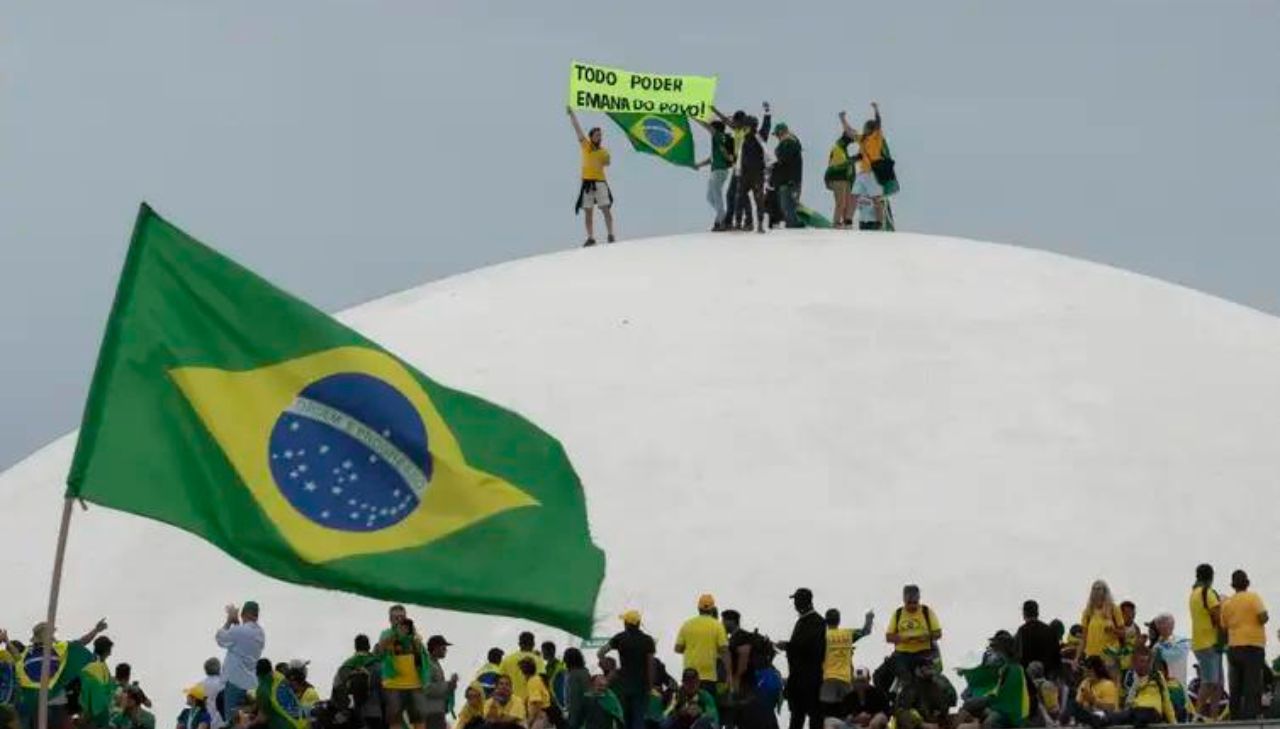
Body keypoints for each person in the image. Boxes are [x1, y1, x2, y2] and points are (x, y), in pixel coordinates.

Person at [18, 618, 108, 729]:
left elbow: (80, 643)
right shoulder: (27, 654)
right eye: (50, 634)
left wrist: (96, 630)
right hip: (41, 707)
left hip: (56, 706)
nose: (53, 636)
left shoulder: (58, 649)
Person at [1220, 568, 1269, 720]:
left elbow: (1224, 626)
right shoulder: (1253, 597)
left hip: (1234, 648)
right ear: (1247, 583)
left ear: (1233, 586)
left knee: (1236, 686)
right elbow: (1263, 617)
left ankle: (1235, 717)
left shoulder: (1227, 603)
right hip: (1253, 646)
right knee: (1252, 685)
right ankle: (1250, 718)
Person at [566, 107, 616, 246]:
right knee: (588, 212)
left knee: (605, 208)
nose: (599, 137)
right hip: (587, 183)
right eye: (597, 135)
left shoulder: (603, 151)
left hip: (600, 182)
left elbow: (607, 163)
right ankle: (590, 237)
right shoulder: (586, 146)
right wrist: (572, 114)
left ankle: (610, 234)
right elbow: (578, 129)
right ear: (591, 136)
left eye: (600, 135)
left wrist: (605, 158)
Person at [778, 588, 826, 729]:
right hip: (799, 680)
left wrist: (787, 646)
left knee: (814, 719)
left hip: (810, 681)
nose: (794, 605)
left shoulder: (816, 622)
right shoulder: (804, 621)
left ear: (801, 603)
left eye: (796, 601)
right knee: (797, 718)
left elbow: (809, 648)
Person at [598, 612, 655, 729]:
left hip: (623, 686)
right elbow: (650, 665)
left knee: (625, 720)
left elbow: (600, 652)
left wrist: (609, 668)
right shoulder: (648, 640)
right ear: (638, 624)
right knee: (638, 719)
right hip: (641, 687)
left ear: (626, 624)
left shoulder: (619, 638)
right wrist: (650, 686)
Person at [375, 607, 428, 729]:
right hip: (393, 684)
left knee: (419, 718)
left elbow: (422, 657)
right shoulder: (386, 634)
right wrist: (396, 634)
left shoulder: (414, 635)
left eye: (402, 617)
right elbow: (380, 650)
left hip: (415, 684)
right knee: (395, 720)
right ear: (390, 619)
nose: (399, 620)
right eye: (396, 617)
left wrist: (413, 638)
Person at [819, 609, 874, 719]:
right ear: (839, 621)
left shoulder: (822, 636)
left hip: (828, 680)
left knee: (827, 716)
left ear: (826, 621)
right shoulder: (848, 635)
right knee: (847, 715)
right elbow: (865, 631)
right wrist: (869, 618)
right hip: (846, 680)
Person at [1187, 563, 1224, 719]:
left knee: (1218, 684)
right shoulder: (1207, 593)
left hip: (1200, 642)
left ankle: (1213, 718)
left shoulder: (1193, 593)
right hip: (1209, 643)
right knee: (1209, 682)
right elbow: (1217, 616)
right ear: (1211, 577)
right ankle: (1197, 715)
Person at [886, 585, 941, 688]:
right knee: (884, 675)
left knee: (931, 679)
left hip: (924, 654)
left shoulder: (926, 612)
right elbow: (889, 637)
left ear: (919, 599)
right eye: (909, 603)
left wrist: (926, 637)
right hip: (902, 655)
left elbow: (938, 633)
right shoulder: (898, 614)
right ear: (904, 600)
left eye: (915, 602)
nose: (912, 606)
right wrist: (901, 639)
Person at [216, 602, 264, 717]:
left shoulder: (240, 631)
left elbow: (220, 638)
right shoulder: (260, 633)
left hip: (235, 682)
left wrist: (229, 620)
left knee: (233, 721)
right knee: (246, 720)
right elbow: (241, 642)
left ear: (243, 614)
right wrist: (237, 623)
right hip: (250, 683)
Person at [1108, 647, 1175, 728]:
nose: (1144, 665)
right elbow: (1126, 702)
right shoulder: (1129, 679)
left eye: (1147, 661)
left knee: (1140, 714)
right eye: (1141, 661)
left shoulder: (1157, 676)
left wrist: (1174, 724)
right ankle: (1098, 717)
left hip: (1152, 712)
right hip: (1134, 712)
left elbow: (1166, 701)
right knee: (1114, 717)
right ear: (1134, 663)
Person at [695, 119, 736, 231]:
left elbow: (706, 126)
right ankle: (723, 216)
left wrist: (694, 116)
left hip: (719, 171)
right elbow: (712, 158)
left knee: (717, 196)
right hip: (716, 171)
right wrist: (699, 165)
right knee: (710, 197)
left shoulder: (719, 136)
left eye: (712, 128)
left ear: (715, 129)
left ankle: (722, 221)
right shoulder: (718, 141)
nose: (710, 130)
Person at [734, 111, 772, 233]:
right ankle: (741, 223)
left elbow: (766, 127)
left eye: (746, 126)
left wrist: (767, 113)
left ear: (751, 127)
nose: (744, 128)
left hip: (757, 174)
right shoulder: (745, 139)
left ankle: (760, 224)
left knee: (758, 199)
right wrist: (738, 171)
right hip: (745, 173)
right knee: (740, 197)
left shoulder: (759, 137)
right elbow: (741, 156)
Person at [333, 636, 381, 729]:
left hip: (354, 714)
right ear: (369, 646)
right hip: (376, 711)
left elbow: (337, 687)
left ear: (355, 647)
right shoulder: (378, 664)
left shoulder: (346, 665)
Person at [1077, 582, 1124, 672]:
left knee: (1109, 685)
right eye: (1094, 589)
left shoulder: (1114, 609)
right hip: (1092, 657)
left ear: (1105, 591)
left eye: (1099, 588)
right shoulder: (1088, 612)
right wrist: (1077, 658)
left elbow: (1123, 633)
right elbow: (1084, 638)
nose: (1096, 591)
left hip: (1110, 657)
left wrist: (1113, 630)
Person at [825, 669, 890, 729]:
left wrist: (872, 717)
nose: (860, 685)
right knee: (829, 721)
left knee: (881, 718)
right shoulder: (848, 697)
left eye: (862, 681)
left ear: (868, 680)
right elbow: (842, 715)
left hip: (872, 725)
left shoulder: (878, 694)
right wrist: (855, 719)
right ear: (853, 682)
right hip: (853, 726)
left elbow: (887, 713)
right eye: (857, 681)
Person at [1014, 601, 1061, 682]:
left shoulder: (1022, 631)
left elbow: (1017, 657)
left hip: (1028, 682)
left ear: (1024, 614)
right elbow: (1057, 658)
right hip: (1048, 681)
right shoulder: (1049, 631)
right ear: (1037, 613)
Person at [825, 117, 857, 228]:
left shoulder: (843, 148)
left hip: (845, 179)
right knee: (841, 203)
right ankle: (836, 223)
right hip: (838, 178)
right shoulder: (838, 147)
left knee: (846, 203)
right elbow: (841, 164)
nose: (853, 139)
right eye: (851, 137)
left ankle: (844, 223)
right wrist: (855, 159)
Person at [771, 123, 803, 229]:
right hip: (787, 180)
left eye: (777, 135)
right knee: (787, 206)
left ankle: (794, 227)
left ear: (782, 133)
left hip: (790, 181)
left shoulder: (789, 143)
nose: (777, 137)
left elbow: (784, 160)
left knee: (788, 206)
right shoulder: (789, 143)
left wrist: (776, 156)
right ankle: (793, 226)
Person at [80, 636, 116, 729]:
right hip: (96, 714)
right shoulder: (94, 665)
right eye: (109, 650)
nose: (110, 654)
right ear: (106, 650)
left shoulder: (100, 664)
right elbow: (90, 690)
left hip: (99, 712)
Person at [1070, 657, 1118, 728]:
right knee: (1072, 705)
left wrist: (1093, 701)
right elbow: (1078, 703)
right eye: (1086, 671)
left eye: (1090, 671)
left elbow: (1111, 708)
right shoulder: (1085, 682)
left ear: (1098, 670)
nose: (1087, 674)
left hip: (1104, 716)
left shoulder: (1108, 684)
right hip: (1087, 714)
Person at [423, 636, 458, 729]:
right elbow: (426, 688)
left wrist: (450, 686)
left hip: (436, 712)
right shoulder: (428, 664)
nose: (446, 650)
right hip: (431, 713)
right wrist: (448, 685)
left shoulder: (434, 663)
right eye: (443, 647)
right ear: (435, 647)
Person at [500, 633, 547, 703]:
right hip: (532, 703)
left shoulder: (507, 660)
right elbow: (543, 681)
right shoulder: (538, 660)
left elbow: (499, 682)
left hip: (511, 703)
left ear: (519, 644)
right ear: (533, 644)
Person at [1149, 613, 1190, 687]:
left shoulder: (1182, 641)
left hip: (1178, 684)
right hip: (1161, 686)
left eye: (1164, 623)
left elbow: (1175, 655)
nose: (1161, 627)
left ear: (1172, 625)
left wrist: (1160, 652)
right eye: (1159, 624)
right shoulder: (1156, 645)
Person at [562, 650, 591, 729]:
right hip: (587, 712)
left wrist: (572, 720)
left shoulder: (573, 675)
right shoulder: (585, 672)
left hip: (576, 713)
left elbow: (574, 698)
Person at [197, 659, 226, 729]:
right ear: (219, 668)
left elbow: (199, 704)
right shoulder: (224, 683)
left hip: (207, 721)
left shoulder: (201, 684)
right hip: (222, 719)